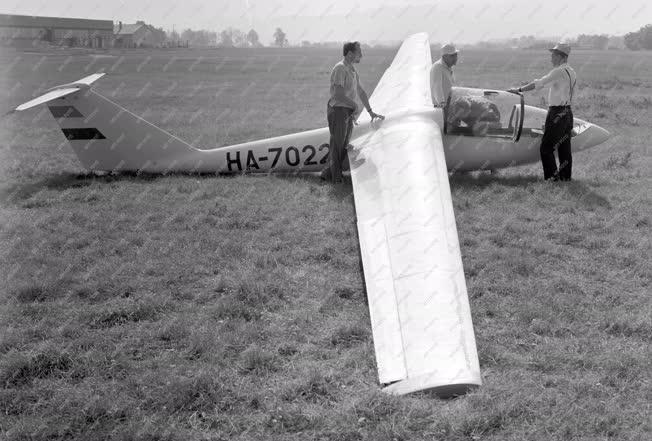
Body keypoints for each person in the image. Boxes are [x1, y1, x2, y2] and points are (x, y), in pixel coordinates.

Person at [508, 43, 577, 181]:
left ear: (560, 56)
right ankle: (565, 177)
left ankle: (552, 178)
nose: (551, 58)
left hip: (557, 112)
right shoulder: (572, 71)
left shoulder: (558, 71)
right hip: (567, 112)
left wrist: (519, 90)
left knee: (546, 147)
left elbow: (539, 83)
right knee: (564, 147)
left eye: (553, 55)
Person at [321, 41, 384, 183]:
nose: (361, 55)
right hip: (338, 110)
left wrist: (370, 111)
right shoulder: (340, 68)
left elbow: (360, 91)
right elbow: (338, 94)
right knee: (337, 145)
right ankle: (336, 178)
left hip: (347, 111)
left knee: (343, 144)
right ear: (350, 54)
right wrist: (355, 106)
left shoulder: (352, 69)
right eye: (359, 52)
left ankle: (326, 174)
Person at [430, 44, 458, 108]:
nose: (455, 58)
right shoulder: (438, 67)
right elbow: (437, 86)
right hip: (441, 107)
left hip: (448, 105)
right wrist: (441, 102)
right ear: (445, 56)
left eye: (456, 55)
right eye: (452, 56)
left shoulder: (448, 67)